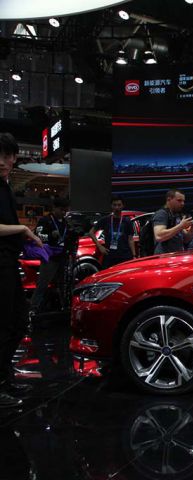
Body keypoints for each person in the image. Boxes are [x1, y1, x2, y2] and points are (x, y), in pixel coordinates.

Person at [0, 132, 43, 408]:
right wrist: (23, 229)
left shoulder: (5, 187)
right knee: (4, 324)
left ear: (15, 158)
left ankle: (6, 378)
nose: (1, 161)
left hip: (8, 262)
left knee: (17, 322)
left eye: (6, 156)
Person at [30, 197, 69, 315]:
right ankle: (33, 309)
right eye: (61, 210)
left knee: (62, 284)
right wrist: (51, 236)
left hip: (62, 257)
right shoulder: (45, 220)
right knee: (42, 284)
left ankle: (63, 307)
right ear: (54, 208)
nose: (64, 212)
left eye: (65, 210)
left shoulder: (65, 222)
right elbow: (38, 236)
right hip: (49, 258)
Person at [89, 196, 136, 269]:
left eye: (119, 205)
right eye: (114, 205)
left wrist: (134, 256)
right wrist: (100, 246)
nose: (117, 207)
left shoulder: (127, 221)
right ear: (111, 206)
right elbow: (91, 232)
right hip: (109, 256)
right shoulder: (105, 220)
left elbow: (130, 239)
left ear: (123, 206)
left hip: (125, 256)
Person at [153, 189, 193, 254]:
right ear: (169, 199)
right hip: (164, 257)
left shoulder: (176, 215)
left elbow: (186, 239)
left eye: (183, 201)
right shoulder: (161, 214)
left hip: (176, 255)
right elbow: (159, 236)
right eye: (179, 200)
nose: (182, 203)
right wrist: (181, 226)